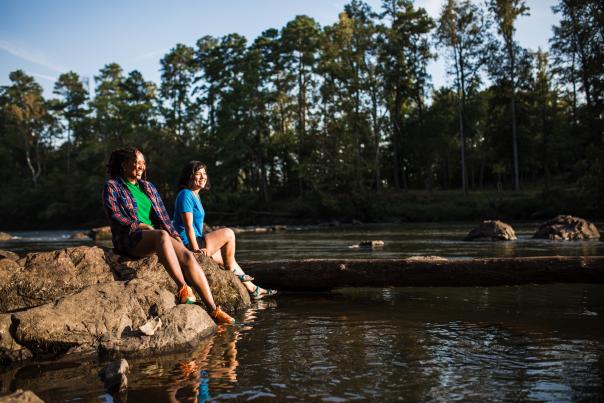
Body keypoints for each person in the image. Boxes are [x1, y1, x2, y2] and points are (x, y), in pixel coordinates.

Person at [102, 147, 234, 324]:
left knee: (187, 255)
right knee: (162, 236)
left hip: (155, 236)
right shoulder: (112, 186)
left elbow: (163, 216)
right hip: (130, 237)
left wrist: (176, 236)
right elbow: (114, 215)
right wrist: (140, 225)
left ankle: (214, 310)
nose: (141, 167)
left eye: (143, 163)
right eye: (137, 163)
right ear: (124, 165)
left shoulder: (148, 187)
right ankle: (183, 289)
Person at [172, 161, 277, 300]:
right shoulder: (185, 194)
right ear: (189, 177)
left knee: (227, 258)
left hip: (195, 241)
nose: (203, 177)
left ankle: (253, 289)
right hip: (189, 244)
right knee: (229, 233)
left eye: (204, 173)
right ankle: (229, 271)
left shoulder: (195, 195)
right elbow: (188, 226)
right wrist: (196, 249)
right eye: (198, 174)